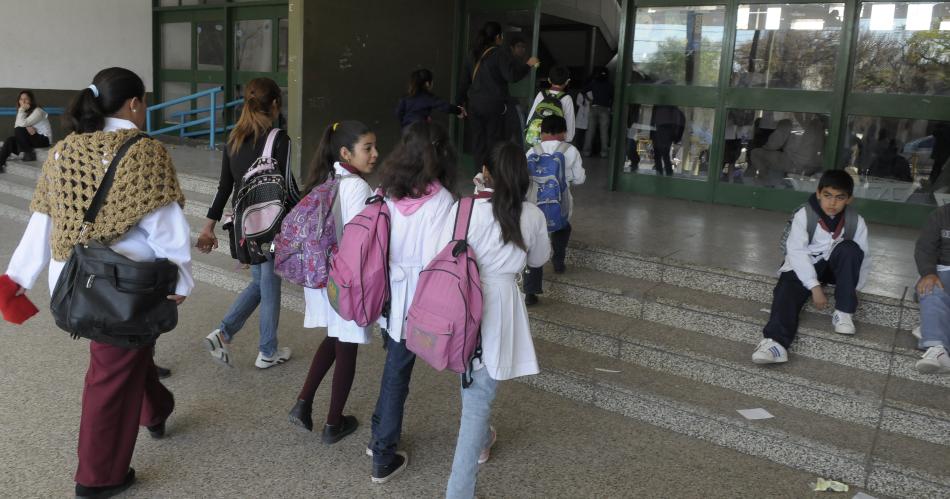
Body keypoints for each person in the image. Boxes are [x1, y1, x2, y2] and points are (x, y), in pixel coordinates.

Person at [2, 67, 192, 498]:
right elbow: (167, 228)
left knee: (128, 350)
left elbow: (42, 221)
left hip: (75, 281)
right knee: (110, 372)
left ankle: (155, 409)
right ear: (134, 104)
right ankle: (97, 477)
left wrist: (17, 278)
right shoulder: (145, 151)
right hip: (125, 288)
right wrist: (182, 275)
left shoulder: (65, 151)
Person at [442, 142, 551, 498]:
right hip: (500, 305)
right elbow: (538, 260)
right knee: (477, 400)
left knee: (473, 384)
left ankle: (484, 437)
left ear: (484, 172)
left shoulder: (464, 209)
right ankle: (459, 492)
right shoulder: (532, 215)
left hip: (461, 301)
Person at [369, 121, 458, 484]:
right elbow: (438, 257)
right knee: (397, 375)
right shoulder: (441, 200)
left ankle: (378, 441)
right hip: (418, 301)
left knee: (394, 369)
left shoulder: (387, 190)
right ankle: (382, 453)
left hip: (389, 295)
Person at [197, 77, 296, 369]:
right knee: (269, 286)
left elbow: (224, 187)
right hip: (270, 224)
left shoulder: (233, 138)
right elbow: (288, 188)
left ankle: (223, 333)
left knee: (259, 283)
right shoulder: (279, 139)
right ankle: (268, 351)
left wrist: (209, 225)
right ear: (276, 104)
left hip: (244, 225)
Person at [288, 120, 377, 440]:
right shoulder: (357, 187)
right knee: (348, 348)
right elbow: (361, 240)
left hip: (324, 279)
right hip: (346, 281)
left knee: (336, 339)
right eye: (367, 148)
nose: (374, 154)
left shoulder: (327, 179)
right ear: (345, 152)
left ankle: (302, 403)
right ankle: (333, 423)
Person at [753, 170, 871, 364]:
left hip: (834, 268)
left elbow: (864, 258)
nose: (832, 203)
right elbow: (797, 252)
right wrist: (814, 287)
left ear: (849, 199)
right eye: (827, 196)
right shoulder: (804, 214)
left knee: (851, 249)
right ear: (818, 193)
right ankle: (775, 344)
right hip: (804, 265)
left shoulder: (856, 221)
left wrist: (854, 289)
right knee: (786, 289)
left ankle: (843, 313)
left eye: (839, 197)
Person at [458, 21, 539, 167]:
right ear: (498, 37)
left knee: (478, 142)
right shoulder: (499, 53)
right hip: (493, 106)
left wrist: (459, 105)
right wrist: (528, 65)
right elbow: (512, 76)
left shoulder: (472, 54)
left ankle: (479, 177)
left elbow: (464, 82)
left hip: (474, 105)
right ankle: (491, 177)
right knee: (493, 141)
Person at [523, 116, 585, 306]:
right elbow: (580, 179)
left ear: (542, 132)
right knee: (562, 227)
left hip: (534, 203)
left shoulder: (532, 151)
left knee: (533, 241)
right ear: (563, 132)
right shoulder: (571, 150)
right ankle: (558, 261)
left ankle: (530, 292)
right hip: (559, 202)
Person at [912, 204, 950, 374]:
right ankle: (937, 348)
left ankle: (932, 329)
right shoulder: (941, 214)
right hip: (940, 271)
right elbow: (924, 249)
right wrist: (928, 273)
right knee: (929, 287)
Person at [0, 90, 53, 171]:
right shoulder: (24, 112)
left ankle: (28, 152)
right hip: (32, 137)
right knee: (10, 140)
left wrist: (21, 111)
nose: (23, 101)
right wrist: (26, 126)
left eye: (26, 99)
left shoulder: (38, 111)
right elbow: (17, 125)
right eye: (21, 99)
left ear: (31, 100)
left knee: (19, 130)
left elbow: (19, 126)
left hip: (44, 139)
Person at [395, 69, 465, 130]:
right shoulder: (428, 97)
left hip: (406, 132)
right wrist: (459, 111)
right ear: (427, 83)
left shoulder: (405, 97)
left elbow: (398, 113)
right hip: (421, 132)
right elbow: (445, 107)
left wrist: (405, 125)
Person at [524, 65, 575, 146]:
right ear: (567, 81)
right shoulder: (567, 99)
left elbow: (530, 120)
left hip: (537, 142)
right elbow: (570, 132)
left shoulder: (541, 95)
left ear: (549, 80)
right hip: (556, 144)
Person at [581, 67, 612, 158]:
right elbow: (612, 97)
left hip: (594, 108)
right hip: (605, 109)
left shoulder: (594, 83)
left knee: (590, 131)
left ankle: (586, 152)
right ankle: (604, 153)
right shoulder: (609, 85)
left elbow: (583, 91)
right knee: (604, 133)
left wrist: (589, 100)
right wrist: (610, 106)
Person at [650, 104, 685, 176]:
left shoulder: (672, 108)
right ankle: (665, 173)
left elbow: (680, 121)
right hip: (662, 129)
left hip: (664, 129)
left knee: (662, 154)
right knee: (662, 154)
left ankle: (664, 173)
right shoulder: (673, 109)